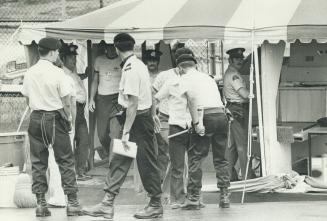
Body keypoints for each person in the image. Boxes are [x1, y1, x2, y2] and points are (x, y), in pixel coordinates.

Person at [82, 33, 163, 220]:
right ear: (133, 47)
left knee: (146, 162)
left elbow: (133, 103)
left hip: (137, 122)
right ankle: (107, 204)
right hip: (139, 118)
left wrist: (126, 131)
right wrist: (153, 115)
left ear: (117, 49)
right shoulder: (138, 65)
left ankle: (155, 204)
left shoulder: (131, 69)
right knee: (120, 159)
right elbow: (149, 91)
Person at [21, 37, 82, 217]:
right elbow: (66, 101)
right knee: (65, 160)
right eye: (57, 53)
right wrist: (68, 118)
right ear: (54, 52)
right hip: (55, 117)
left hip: (36, 117)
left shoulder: (30, 72)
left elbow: (26, 97)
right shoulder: (58, 74)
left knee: (38, 162)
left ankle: (40, 203)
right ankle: (72, 202)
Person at [176, 54, 230, 210]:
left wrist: (196, 122)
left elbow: (191, 101)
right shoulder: (208, 77)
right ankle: (224, 195)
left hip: (204, 115)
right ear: (195, 65)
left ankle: (193, 197)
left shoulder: (184, 79)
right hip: (221, 115)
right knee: (221, 158)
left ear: (180, 68)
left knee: (196, 157)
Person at [153, 47, 194, 209]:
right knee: (177, 158)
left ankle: (169, 192)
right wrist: (153, 113)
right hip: (165, 119)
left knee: (177, 159)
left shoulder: (191, 76)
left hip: (183, 121)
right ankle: (171, 194)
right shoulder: (165, 76)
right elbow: (153, 92)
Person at [59, 43, 91, 181]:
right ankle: (71, 171)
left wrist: (86, 74)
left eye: (74, 57)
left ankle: (81, 171)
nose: (74, 59)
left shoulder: (73, 72)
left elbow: (78, 81)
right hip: (70, 108)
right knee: (70, 140)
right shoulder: (61, 73)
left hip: (80, 109)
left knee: (83, 140)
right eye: (71, 57)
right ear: (63, 58)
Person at [223, 48, 255, 181]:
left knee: (234, 147)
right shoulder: (233, 75)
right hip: (238, 110)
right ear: (230, 60)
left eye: (241, 58)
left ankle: (227, 175)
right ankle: (248, 177)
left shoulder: (231, 72)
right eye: (237, 59)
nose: (240, 61)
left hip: (234, 109)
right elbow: (244, 94)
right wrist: (255, 95)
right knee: (242, 145)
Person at [89, 43, 122, 159]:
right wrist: (91, 99)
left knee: (116, 132)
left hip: (118, 99)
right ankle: (110, 153)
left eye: (113, 46)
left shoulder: (121, 59)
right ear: (105, 48)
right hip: (102, 99)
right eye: (109, 47)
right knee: (102, 134)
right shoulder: (99, 60)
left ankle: (114, 161)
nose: (112, 49)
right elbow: (95, 81)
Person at [144, 49, 169, 186]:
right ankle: (148, 180)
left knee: (162, 148)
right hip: (145, 115)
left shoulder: (163, 76)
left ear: (158, 62)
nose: (152, 63)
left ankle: (160, 178)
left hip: (160, 115)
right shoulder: (143, 76)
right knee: (148, 148)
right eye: (149, 60)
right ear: (146, 62)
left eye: (154, 60)